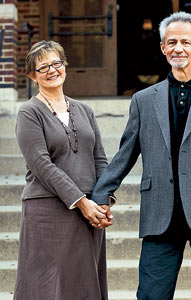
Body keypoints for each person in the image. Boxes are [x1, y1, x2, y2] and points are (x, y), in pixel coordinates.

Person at [91, 12, 191, 300]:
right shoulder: (144, 100)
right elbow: (125, 154)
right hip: (160, 213)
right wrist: (101, 193)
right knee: (150, 295)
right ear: (162, 48)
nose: (178, 48)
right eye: (171, 42)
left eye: (186, 42)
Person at [14, 40, 112, 300]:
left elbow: (100, 159)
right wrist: (81, 202)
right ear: (32, 76)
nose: (52, 70)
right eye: (43, 66)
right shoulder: (29, 113)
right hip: (47, 211)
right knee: (47, 287)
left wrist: (103, 202)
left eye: (56, 63)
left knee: (83, 286)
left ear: (65, 66)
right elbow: (42, 165)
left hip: (89, 213)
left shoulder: (85, 110)